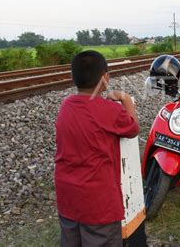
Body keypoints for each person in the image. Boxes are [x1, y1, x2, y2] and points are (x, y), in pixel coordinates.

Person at [54, 50, 140, 246]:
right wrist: (125, 98)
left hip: (68, 197)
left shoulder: (66, 105)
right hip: (98, 202)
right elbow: (133, 128)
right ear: (105, 77)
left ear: (73, 77)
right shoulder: (110, 109)